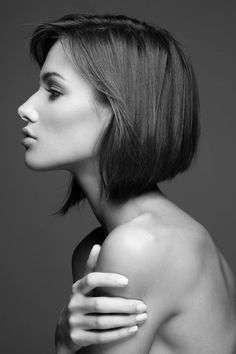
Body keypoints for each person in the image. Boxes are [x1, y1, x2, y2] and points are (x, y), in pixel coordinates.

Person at [17, 13, 236, 354]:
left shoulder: (138, 247)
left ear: (119, 111)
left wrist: (63, 344)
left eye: (54, 90)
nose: (25, 108)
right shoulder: (103, 247)